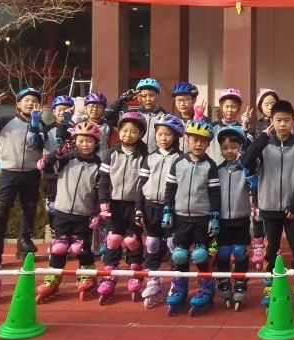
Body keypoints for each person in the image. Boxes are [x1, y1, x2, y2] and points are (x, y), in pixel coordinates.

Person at [240, 99, 294, 314]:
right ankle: (270, 284)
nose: (282, 124)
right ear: (271, 121)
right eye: (278, 120)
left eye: (286, 120)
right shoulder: (264, 144)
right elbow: (246, 162)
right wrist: (262, 137)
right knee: (271, 248)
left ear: (293, 121)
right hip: (269, 207)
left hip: (292, 209)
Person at [35, 121, 103, 303]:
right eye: (81, 140)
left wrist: (97, 213)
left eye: (89, 141)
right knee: (59, 247)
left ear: (96, 143)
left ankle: (87, 275)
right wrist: (57, 152)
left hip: (84, 213)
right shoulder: (67, 159)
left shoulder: (99, 165)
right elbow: (44, 167)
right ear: (74, 142)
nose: (85, 144)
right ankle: (53, 276)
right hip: (62, 211)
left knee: (80, 247)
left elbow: (101, 192)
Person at [163, 119, 221, 316]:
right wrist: (168, 210)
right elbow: (170, 188)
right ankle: (179, 286)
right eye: (194, 139)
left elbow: (214, 194)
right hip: (180, 217)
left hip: (201, 218)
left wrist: (214, 216)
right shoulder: (178, 163)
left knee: (200, 255)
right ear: (187, 139)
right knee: (179, 255)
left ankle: (206, 287)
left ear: (208, 144)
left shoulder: (210, 166)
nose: (198, 144)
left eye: (203, 141)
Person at [0, 87, 42, 262]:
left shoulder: (41, 125)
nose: (30, 103)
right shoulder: (7, 121)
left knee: (29, 209)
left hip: (32, 173)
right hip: (9, 173)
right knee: (0, 209)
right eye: (26, 100)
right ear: (18, 104)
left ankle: (25, 242)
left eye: (35, 101)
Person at [96, 111, 148, 304]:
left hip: (134, 204)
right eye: (125, 130)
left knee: (132, 240)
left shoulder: (144, 156)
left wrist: (140, 207)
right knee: (113, 239)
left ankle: (136, 271)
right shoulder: (111, 154)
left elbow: (144, 183)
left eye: (133, 131)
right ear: (119, 131)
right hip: (114, 204)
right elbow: (103, 181)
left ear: (140, 134)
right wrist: (103, 204)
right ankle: (109, 273)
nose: (128, 135)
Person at [136, 113, 185, 308]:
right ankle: (153, 279)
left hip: (170, 208)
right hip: (150, 207)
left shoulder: (181, 159)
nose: (163, 138)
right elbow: (141, 184)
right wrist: (139, 209)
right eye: (159, 134)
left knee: (174, 245)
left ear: (176, 136)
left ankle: (177, 279)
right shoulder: (150, 158)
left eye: (168, 134)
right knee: (152, 243)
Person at [213, 125, 253, 310]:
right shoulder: (216, 170)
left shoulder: (245, 170)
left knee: (239, 252)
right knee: (223, 253)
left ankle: (240, 283)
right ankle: (223, 282)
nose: (229, 151)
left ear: (241, 147)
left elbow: (255, 186)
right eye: (225, 148)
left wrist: (247, 169)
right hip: (222, 220)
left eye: (234, 147)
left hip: (241, 218)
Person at [28, 94, 74, 233]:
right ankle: (56, 234)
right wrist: (34, 124)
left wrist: (66, 123)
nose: (62, 112)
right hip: (52, 175)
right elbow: (34, 143)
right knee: (53, 208)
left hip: (71, 174)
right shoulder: (47, 129)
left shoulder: (77, 129)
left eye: (66, 109)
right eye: (59, 109)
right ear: (53, 111)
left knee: (71, 207)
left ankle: (70, 236)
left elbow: (62, 136)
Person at [106, 78, 165, 147]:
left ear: (157, 96)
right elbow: (107, 117)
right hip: (134, 153)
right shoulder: (130, 115)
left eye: (151, 95)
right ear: (138, 98)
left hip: (156, 154)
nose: (148, 99)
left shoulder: (165, 117)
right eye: (144, 96)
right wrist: (121, 100)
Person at [211, 88, 250, 164]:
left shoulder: (241, 128)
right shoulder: (212, 127)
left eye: (233, 107)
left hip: (234, 167)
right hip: (214, 167)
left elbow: (246, 148)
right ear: (221, 108)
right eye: (227, 106)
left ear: (238, 109)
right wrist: (198, 119)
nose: (229, 110)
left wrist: (245, 125)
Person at [82, 91, 113, 159]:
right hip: (83, 162)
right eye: (91, 106)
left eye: (99, 107)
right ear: (86, 108)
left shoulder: (109, 127)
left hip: (103, 161)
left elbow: (113, 147)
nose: (95, 109)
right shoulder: (79, 126)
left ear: (104, 110)